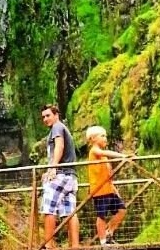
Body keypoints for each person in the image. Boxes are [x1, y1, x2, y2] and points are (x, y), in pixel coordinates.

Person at [40, 105, 80, 249]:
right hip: (71, 176)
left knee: (48, 208)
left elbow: (59, 146)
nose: (45, 119)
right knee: (70, 212)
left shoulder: (57, 127)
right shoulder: (62, 128)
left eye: (48, 115)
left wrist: (53, 168)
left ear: (56, 115)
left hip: (61, 175)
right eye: (43, 117)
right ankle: (75, 246)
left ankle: (49, 246)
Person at [86, 126, 127, 245]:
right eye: (102, 136)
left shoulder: (104, 156)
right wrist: (122, 156)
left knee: (122, 210)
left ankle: (109, 232)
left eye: (106, 136)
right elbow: (104, 152)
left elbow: (108, 176)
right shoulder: (94, 151)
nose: (105, 138)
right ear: (93, 139)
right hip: (99, 191)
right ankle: (103, 241)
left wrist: (115, 190)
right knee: (102, 215)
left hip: (109, 189)